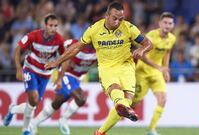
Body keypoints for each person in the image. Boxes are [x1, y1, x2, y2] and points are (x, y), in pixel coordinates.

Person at [44, 2, 152, 135]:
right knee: (118, 95)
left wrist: (142, 49)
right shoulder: (94, 29)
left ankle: (100, 132)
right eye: (115, 18)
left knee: (126, 103)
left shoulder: (128, 27)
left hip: (126, 67)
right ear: (106, 16)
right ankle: (114, 115)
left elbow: (148, 43)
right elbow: (77, 47)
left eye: (121, 19)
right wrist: (57, 61)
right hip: (107, 69)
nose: (118, 22)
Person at [3, 14, 65, 135]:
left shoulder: (59, 40)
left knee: (32, 104)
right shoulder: (34, 35)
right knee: (34, 98)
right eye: (51, 25)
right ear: (45, 26)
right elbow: (18, 49)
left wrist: (59, 77)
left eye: (55, 26)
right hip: (30, 69)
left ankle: (13, 109)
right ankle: (25, 130)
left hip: (45, 74)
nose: (53, 28)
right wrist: (18, 68)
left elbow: (64, 58)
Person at [30, 39, 97, 135]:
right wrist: (59, 78)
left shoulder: (100, 50)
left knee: (57, 102)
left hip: (77, 79)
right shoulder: (76, 44)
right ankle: (64, 119)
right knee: (81, 98)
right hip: (67, 74)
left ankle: (33, 123)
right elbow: (63, 53)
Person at [132, 12, 176, 135]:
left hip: (156, 73)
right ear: (160, 23)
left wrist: (165, 69)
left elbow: (167, 52)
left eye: (170, 23)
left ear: (173, 25)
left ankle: (151, 130)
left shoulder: (172, 38)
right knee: (133, 104)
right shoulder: (151, 36)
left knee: (162, 100)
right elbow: (142, 56)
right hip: (142, 72)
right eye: (165, 23)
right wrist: (159, 67)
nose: (167, 25)